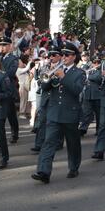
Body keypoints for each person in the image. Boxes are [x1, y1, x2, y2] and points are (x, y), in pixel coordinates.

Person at [31, 43, 85, 183]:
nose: (64, 57)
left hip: (70, 114)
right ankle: (43, 171)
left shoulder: (79, 73)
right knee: (48, 142)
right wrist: (49, 75)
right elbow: (44, 87)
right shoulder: (56, 69)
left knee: (73, 143)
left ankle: (73, 167)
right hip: (54, 113)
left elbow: (77, 90)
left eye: (67, 55)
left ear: (74, 57)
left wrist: (63, 77)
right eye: (63, 55)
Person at [79, 55, 102, 136]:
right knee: (86, 113)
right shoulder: (89, 70)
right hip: (88, 94)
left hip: (97, 95)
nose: (96, 64)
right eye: (94, 62)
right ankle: (83, 129)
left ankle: (99, 130)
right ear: (92, 63)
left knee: (99, 114)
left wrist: (87, 75)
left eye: (98, 62)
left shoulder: (101, 70)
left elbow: (97, 78)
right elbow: (82, 79)